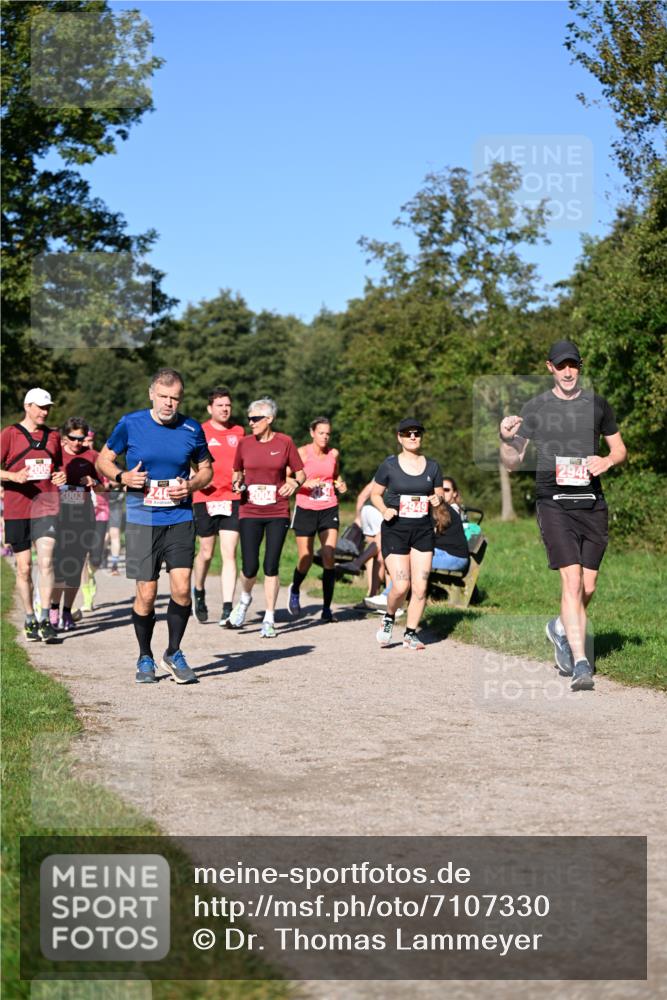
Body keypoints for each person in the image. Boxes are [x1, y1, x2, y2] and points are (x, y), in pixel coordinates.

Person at [499, 339, 627, 691]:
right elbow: (512, 463)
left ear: (579, 366)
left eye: (573, 364)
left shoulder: (597, 405)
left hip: (591, 502)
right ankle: (580, 663)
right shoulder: (537, 408)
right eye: (561, 365)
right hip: (553, 502)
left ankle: (559, 626)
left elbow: (620, 449)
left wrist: (607, 460)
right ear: (549, 367)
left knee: (589, 585)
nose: (567, 371)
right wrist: (505, 437)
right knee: (571, 581)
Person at [96, 368, 213, 685]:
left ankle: (173, 652)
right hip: (141, 518)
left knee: (181, 588)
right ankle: (145, 655)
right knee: (146, 595)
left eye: (175, 398)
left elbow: (206, 470)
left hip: (179, 516)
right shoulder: (131, 423)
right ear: (152, 394)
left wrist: (191, 486)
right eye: (163, 396)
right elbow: (102, 460)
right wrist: (122, 477)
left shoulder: (192, 428)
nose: (168, 403)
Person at [229, 398, 305, 637]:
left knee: (271, 565)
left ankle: (270, 618)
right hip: (249, 510)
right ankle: (244, 600)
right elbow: (236, 472)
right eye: (249, 418)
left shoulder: (285, 442)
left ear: (269, 419)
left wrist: (293, 483)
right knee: (249, 566)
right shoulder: (244, 444)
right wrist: (237, 483)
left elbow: (301, 473)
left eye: (255, 418)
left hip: (277, 511)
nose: (250, 423)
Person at [371, 418, 445, 650]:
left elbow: (440, 494)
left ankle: (410, 634)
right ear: (399, 437)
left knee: (421, 587)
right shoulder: (389, 465)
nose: (413, 437)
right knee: (401, 586)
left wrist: (437, 499)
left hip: (422, 530)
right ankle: (389, 617)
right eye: (407, 433)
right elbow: (375, 494)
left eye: (417, 433)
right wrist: (384, 510)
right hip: (396, 529)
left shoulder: (432, 466)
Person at [0, 388, 66, 642]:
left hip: (46, 505)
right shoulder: (10, 434)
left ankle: (44, 618)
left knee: (46, 562)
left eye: (47, 407)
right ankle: (29, 617)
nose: (44, 411)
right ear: (27, 406)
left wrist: (61, 476)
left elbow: (58, 467)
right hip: (18, 507)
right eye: (40, 406)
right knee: (24, 568)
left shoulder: (53, 436)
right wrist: (13, 476)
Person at [191, 387, 245, 627]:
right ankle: (199, 591)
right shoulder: (200, 431)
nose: (225, 409)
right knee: (206, 552)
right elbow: (188, 462)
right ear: (210, 408)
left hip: (232, 498)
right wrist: (197, 480)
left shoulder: (239, 431)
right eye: (220, 405)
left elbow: (243, 463)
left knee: (229, 553)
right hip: (206, 497)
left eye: (228, 405)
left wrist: (241, 478)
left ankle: (227, 607)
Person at [287, 417, 347, 622]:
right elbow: (287, 478)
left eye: (328, 433)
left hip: (328, 507)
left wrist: (340, 484)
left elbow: (335, 476)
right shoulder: (302, 453)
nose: (325, 437)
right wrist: (304, 483)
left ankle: (327, 609)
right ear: (312, 433)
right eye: (321, 433)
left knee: (329, 555)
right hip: (306, 509)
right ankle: (294, 589)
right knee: (306, 557)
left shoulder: (334, 453)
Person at [50, 417, 99, 630]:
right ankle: (52, 608)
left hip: (83, 516)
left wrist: (93, 481)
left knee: (76, 566)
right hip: (58, 516)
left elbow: (103, 482)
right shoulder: (55, 456)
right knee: (58, 566)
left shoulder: (92, 456)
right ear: (64, 438)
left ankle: (67, 612)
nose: (78, 442)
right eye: (73, 438)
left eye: (81, 438)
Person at [431, 502, 469, 573]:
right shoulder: (434, 507)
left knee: (418, 562)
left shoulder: (442, 509)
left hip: (456, 557)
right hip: (442, 551)